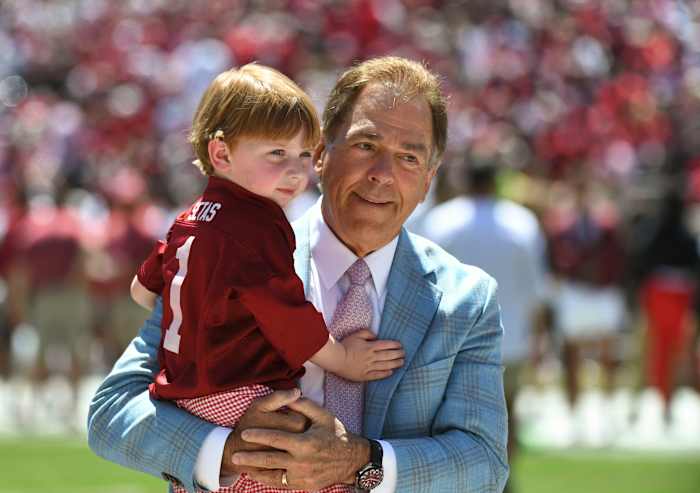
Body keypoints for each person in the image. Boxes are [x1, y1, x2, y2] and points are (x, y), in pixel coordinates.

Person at [88, 56, 509, 493]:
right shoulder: (226, 256)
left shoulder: (467, 299)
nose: (383, 175)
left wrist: (361, 462)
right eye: (366, 146)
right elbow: (112, 415)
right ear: (322, 156)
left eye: (408, 158)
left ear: (427, 181)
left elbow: (485, 461)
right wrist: (233, 449)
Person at [130, 63, 405, 493]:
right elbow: (285, 315)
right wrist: (345, 360)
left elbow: (142, 289)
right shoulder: (257, 225)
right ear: (221, 154)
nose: (296, 171)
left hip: (183, 395)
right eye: (276, 154)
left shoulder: (188, 218)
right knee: (320, 471)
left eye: (303, 155)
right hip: (235, 390)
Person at [418, 161, 546, 493]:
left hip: (450, 340)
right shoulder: (522, 223)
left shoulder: (442, 220)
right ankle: (499, 481)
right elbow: (536, 291)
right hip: (510, 339)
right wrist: (538, 340)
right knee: (506, 417)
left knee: (447, 420)